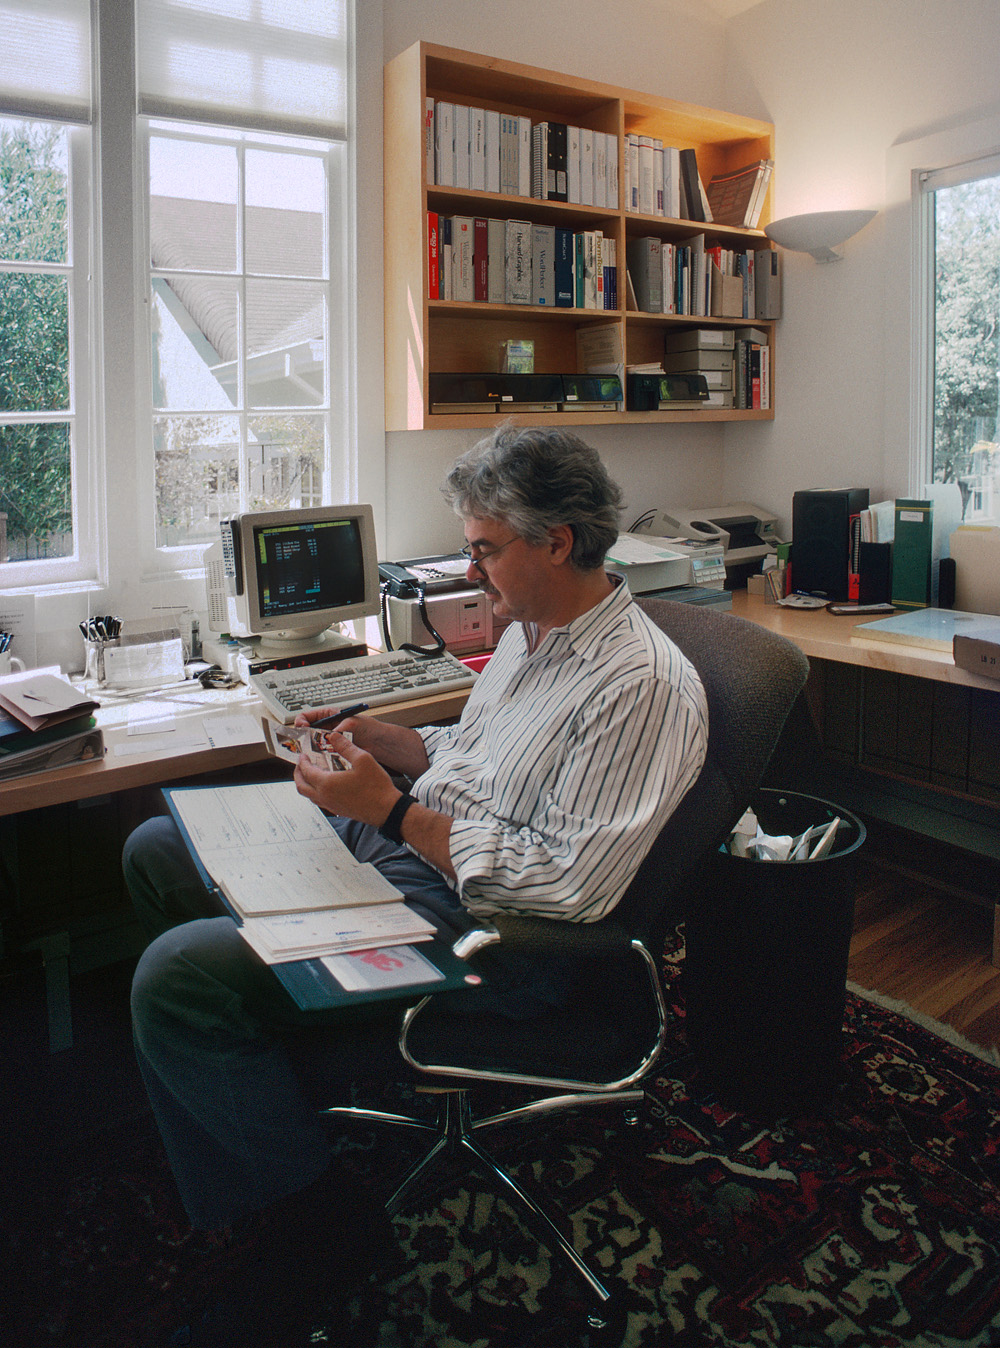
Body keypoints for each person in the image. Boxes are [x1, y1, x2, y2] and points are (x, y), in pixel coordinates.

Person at [123, 423, 708, 1342]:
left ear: (555, 542)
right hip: (414, 862)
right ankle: (263, 1081)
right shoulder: (534, 631)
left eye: (483, 550)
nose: (472, 571)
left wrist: (391, 812)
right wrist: (399, 747)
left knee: (176, 974)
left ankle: (319, 1225)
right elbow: (479, 761)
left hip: (488, 938)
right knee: (157, 846)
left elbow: (566, 886)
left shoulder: (641, 685)